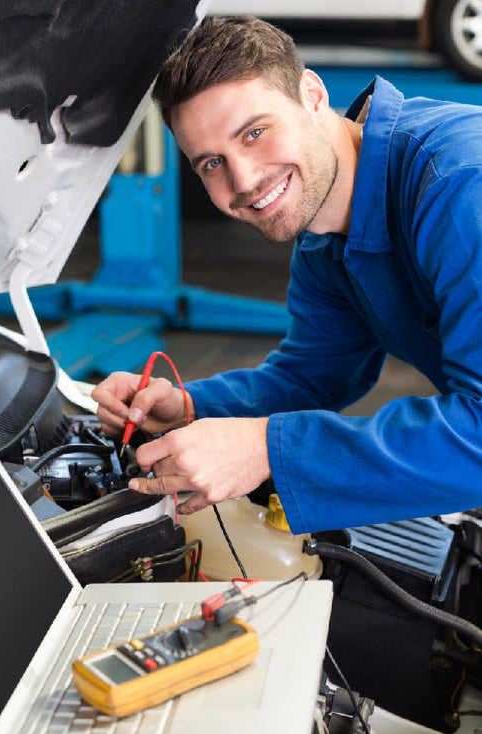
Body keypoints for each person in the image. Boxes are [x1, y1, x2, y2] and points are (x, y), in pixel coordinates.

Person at [92, 15, 482, 534]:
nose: (245, 180)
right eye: (211, 163)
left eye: (254, 132)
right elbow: (313, 375)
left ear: (313, 94)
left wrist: (267, 450)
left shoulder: (459, 185)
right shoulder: (326, 234)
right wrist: (189, 407)